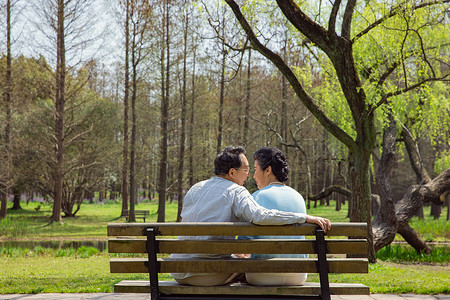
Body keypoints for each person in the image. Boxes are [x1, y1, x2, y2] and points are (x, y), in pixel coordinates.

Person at [170, 146, 331, 287]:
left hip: (178, 271)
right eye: (246, 170)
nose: (249, 175)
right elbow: (260, 215)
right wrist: (302, 217)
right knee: (249, 267)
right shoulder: (236, 191)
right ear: (232, 172)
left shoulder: (195, 188)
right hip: (208, 274)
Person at [240, 147, 321, 286]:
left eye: (255, 169)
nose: (253, 175)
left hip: (263, 275)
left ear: (268, 170)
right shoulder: (298, 197)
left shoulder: (256, 197)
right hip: (298, 275)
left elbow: (243, 244)